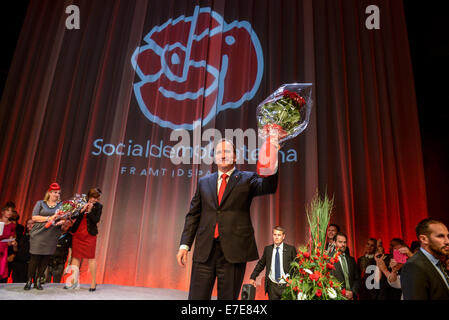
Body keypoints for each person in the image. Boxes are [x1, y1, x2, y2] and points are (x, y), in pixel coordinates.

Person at [176, 138, 279, 300]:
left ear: (235, 157)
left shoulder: (247, 178)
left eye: (227, 152)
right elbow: (193, 215)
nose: (222, 155)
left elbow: (269, 186)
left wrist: (273, 156)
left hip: (233, 253)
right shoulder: (204, 182)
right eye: (219, 152)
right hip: (205, 252)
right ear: (215, 158)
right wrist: (184, 245)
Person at [24, 182, 69, 290]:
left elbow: (64, 218)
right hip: (39, 233)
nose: (57, 195)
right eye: (55, 192)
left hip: (52, 234)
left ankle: (38, 280)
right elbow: (34, 217)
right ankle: (29, 280)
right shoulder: (40, 203)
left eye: (58, 193)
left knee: (45, 257)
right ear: (49, 193)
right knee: (35, 257)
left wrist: (62, 221)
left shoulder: (61, 205)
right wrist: (49, 218)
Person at [400, 218, 449, 300]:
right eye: (440, 236)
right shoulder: (413, 266)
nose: (447, 241)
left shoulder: (437, 261)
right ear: (423, 239)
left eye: (448, 236)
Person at [65, 188, 102, 291]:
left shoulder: (99, 206)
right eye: (93, 198)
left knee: (91, 257)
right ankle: (73, 281)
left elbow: (96, 220)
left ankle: (93, 282)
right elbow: (72, 216)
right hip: (78, 233)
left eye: (97, 199)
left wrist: (90, 212)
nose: (95, 200)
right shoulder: (81, 202)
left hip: (89, 234)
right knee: (76, 257)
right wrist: (81, 211)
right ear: (89, 196)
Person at [249, 226, 297, 300]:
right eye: (274, 235)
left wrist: (293, 280)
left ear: (283, 236)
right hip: (272, 287)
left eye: (279, 235)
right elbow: (261, 264)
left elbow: (297, 266)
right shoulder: (268, 249)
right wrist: (253, 277)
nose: (276, 237)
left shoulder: (291, 249)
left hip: (286, 286)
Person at [330, 232, 361, 300]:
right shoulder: (328, 259)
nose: (343, 244)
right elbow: (327, 280)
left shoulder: (351, 260)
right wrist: (342, 292)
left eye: (345, 242)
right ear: (334, 243)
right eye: (340, 242)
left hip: (351, 297)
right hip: (336, 297)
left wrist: (352, 292)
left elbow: (357, 279)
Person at [0, 207, 17, 282]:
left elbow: (10, 239)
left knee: (2, 270)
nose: (10, 212)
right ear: (2, 212)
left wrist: (11, 242)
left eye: (11, 211)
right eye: (7, 210)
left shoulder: (12, 225)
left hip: (4, 249)